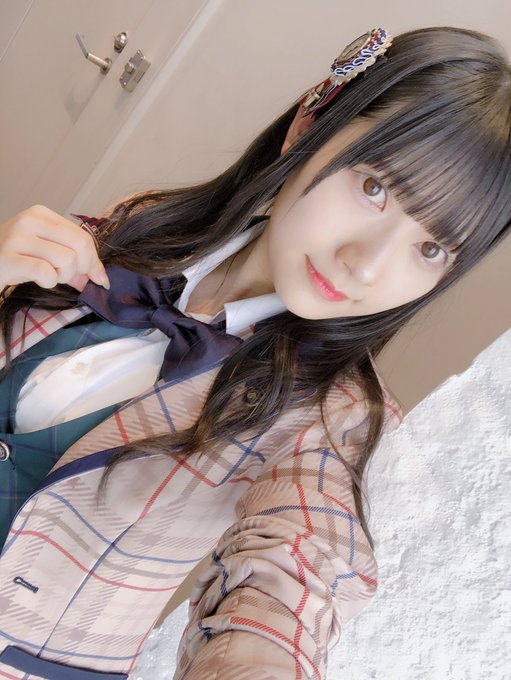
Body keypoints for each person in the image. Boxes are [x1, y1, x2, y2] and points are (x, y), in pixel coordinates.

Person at [0, 24, 509, 680]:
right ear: (308, 128)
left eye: (430, 248)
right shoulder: (143, 224)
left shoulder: (337, 418)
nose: (365, 265)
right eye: (375, 188)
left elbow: (290, 576)